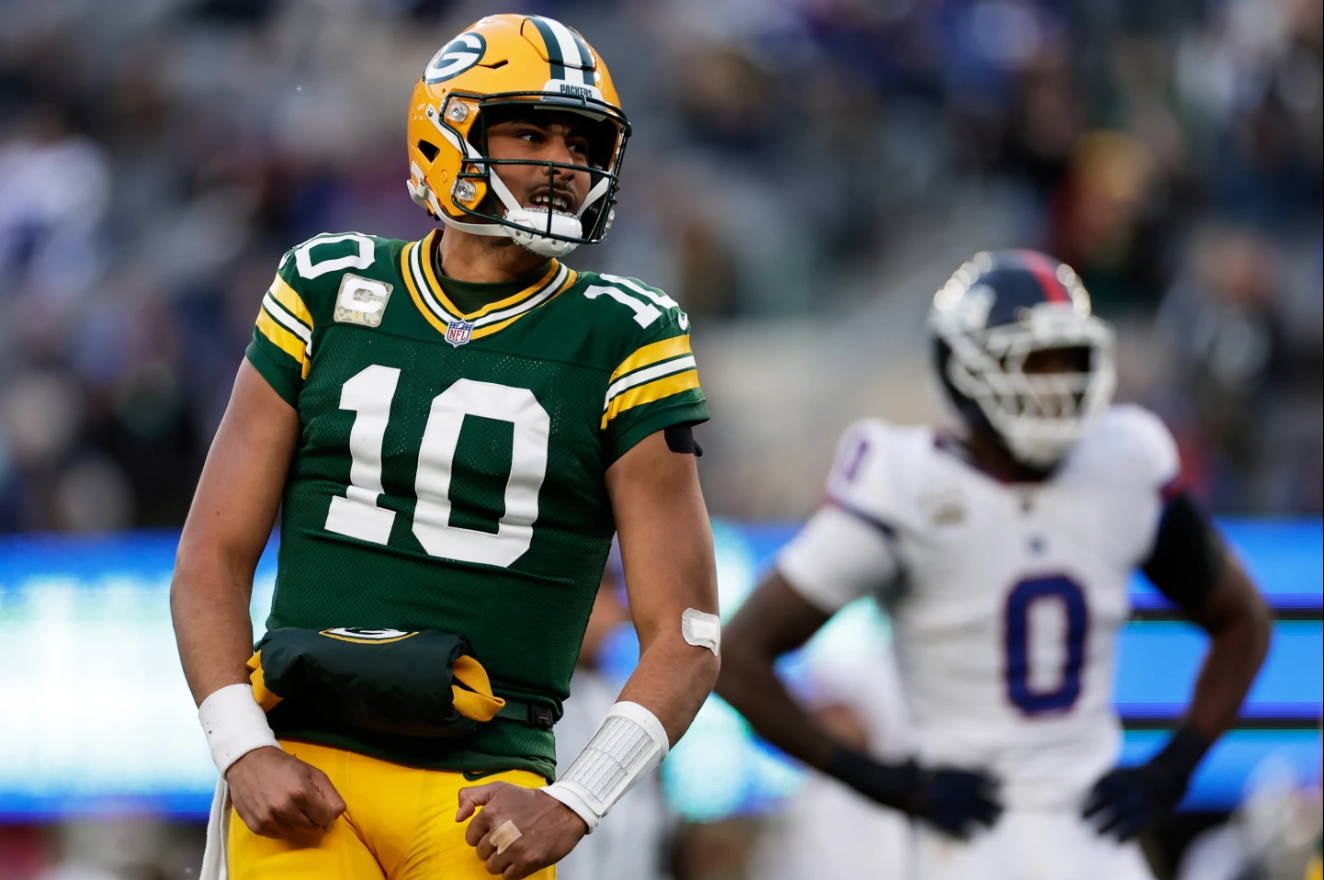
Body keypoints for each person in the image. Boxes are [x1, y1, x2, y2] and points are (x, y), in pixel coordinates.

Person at [170, 15, 720, 880]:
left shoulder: (626, 334)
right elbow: (211, 552)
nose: (561, 163)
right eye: (530, 132)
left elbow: (685, 634)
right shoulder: (326, 284)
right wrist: (242, 748)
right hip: (309, 759)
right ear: (447, 130)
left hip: (485, 792)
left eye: (580, 141)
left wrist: (576, 799)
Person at [717, 250, 1272, 880]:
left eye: (1070, 360)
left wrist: (1175, 767)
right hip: (972, 839)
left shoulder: (1125, 460)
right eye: (1035, 361)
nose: (1057, 382)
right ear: (964, 368)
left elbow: (1244, 622)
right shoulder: (905, 482)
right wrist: (886, 782)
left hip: (1092, 831)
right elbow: (736, 658)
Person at [555, 549, 676, 880]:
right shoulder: (527, 701)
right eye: (600, 601)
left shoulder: (624, 698)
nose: (612, 617)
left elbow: (654, 821)